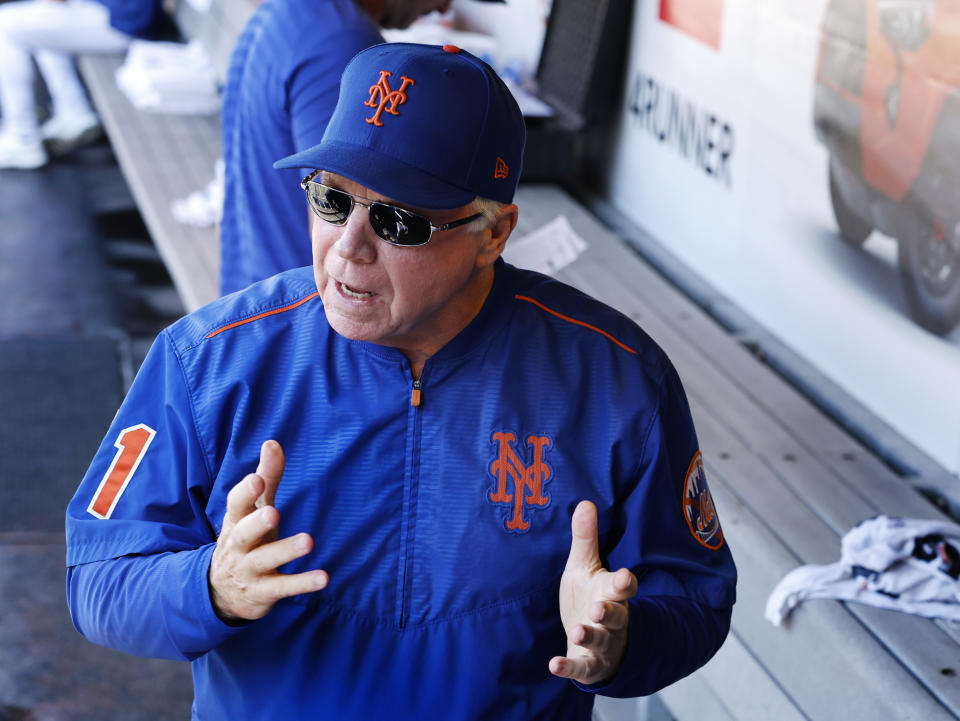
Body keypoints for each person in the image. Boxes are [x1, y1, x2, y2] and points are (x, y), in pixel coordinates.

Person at [66, 43, 736, 719]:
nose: (349, 247)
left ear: (493, 232)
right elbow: (97, 574)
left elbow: (696, 596)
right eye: (332, 199)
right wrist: (208, 587)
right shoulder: (210, 360)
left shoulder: (615, 378)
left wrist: (622, 642)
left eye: (398, 220)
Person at [219, 0, 499, 296]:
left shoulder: (284, 11)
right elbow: (345, 223)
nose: (444, 8)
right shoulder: (344, 43)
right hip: (308, 308)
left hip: (252, 290)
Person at [0, 0, 165, 169]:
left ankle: (22, 136)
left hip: (127, 19)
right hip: (115, 10)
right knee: (41, 17)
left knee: (4, 24)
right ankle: (73, 110)